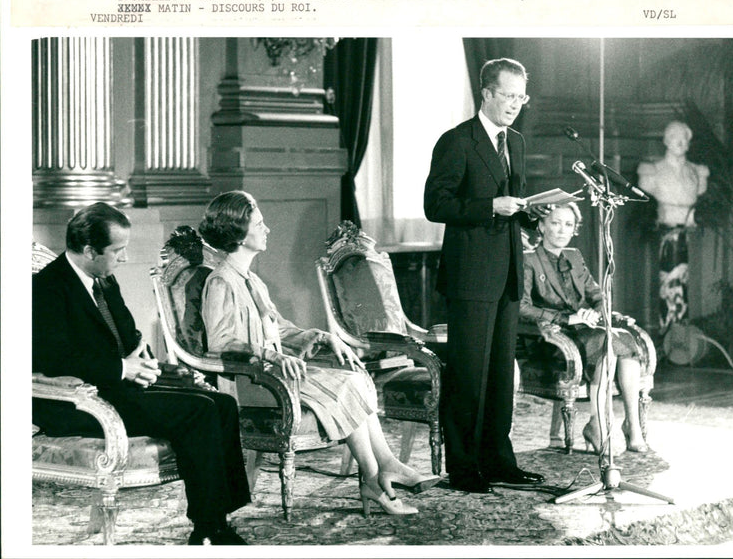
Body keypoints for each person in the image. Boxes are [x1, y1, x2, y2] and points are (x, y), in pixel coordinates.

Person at [198, 191, 440, 517]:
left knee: (356, 376)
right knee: (347, 385)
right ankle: (376, 475)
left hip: (280, 374)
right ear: (240, 235)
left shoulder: (251, 279)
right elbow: (219, 341)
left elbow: (279, 329)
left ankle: (382, 467)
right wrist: (271, 357)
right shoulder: (221, 283)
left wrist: (321, 336)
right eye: (260, 223)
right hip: (253, 383)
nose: (267, 229)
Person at [32, 203, 250, 545]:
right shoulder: (47, 288)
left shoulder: (103, 278)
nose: (124, 256)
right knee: (200, 411)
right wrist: (123, 368)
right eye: (118, 250)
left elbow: (128, 335)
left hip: (118, 389)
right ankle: (208, 529)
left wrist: (143, 361)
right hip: (76, 403)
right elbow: (55, 360)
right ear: (89, 251)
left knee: (220, 403)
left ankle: (222, 514)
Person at [423, 57, 545, 494]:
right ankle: (463, 467)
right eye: (508, 95)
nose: (515, 104)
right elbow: (435, 205)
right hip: (471, 275)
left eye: (521, 97)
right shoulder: (457, 141)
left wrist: (533, 219)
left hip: (509, 272)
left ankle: (498, 460)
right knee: (469, 376)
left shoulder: (518, 141)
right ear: (487, 93)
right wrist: (488, 208)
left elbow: (516, 200)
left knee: (499, 376)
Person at [519, 203, 648, 454]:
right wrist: (567, 320)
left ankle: (630, 426)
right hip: (551, 338)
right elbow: (522, 307)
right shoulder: (529, 260)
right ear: (542, 226)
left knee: (622, 344)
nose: (561, 230)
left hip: (588, 332)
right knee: (610, 344)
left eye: (568, 225)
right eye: (555, 223)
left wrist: (593, 312)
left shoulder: (574, 256)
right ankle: (598, 427)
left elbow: (598, 295)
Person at [637, 120, 710, 333]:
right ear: (666, 141)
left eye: (685, 139)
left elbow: (698, 191)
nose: (682, 143)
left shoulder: (697, 172)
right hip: (667, 226)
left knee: (681, 284)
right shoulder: (652, 172)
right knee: (670, 284)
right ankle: (669, 335)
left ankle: (678, 337)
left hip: (684, 226)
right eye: (677, 138)